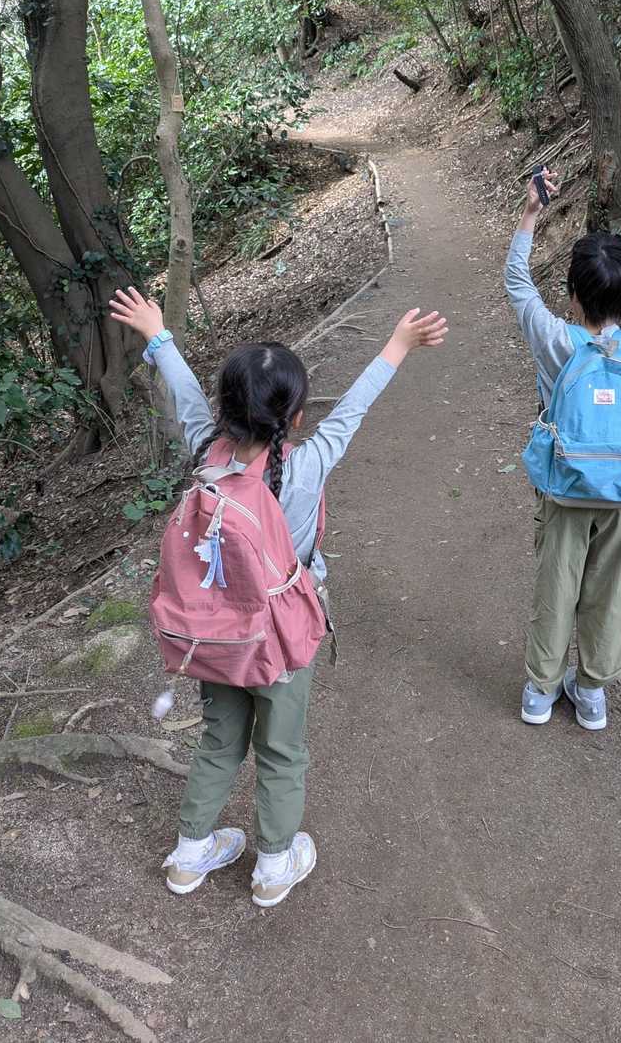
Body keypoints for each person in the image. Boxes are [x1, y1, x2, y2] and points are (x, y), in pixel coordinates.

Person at [108, 287, 447, 905]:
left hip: (214, 632)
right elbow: (352, 410)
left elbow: (184, 393)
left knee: (219, 740)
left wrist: (158, 335)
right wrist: (398, 345)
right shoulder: (308, 464)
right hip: (282, 639)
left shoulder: (204, 451)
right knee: (281, 750)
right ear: (294, 418)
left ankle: (189, 856)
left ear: (224, 410)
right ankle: (272, 865)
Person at [504, 173, 621, 730]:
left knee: (555, 586)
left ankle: (540, 692)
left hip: (564, 487)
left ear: (572, 292)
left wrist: (530, 213)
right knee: (608, 592)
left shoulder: (556, 342)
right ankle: (590, 693)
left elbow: (516, 281)